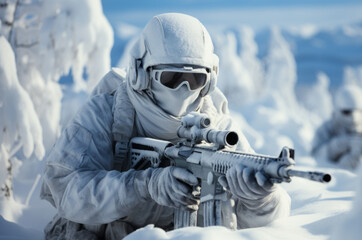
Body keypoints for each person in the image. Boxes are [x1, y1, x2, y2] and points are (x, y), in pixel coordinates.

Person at [40, 13, 290, 240]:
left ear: (209, 81)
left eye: (196, 79)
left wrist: (260, 199)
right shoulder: (105, 113)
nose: (185, 90)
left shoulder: (217, 128)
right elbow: (65, 189)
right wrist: (143, 185)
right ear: (141, 73)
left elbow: (265, 224)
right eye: (171, 78)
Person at [311, 85, 362, 170]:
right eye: (347, 112)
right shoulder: (326, 129)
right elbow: (315, 157)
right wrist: (334, 147)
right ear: (338, 109)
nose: (353, 117)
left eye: (358, 112)